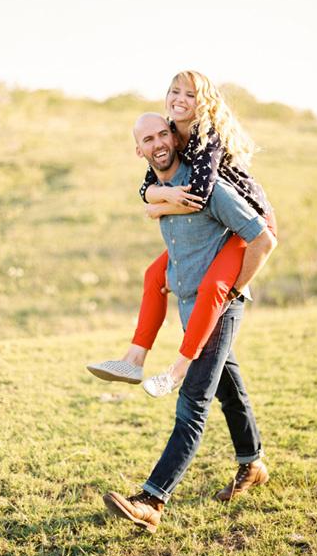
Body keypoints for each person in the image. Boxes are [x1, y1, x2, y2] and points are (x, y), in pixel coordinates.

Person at [102, 112, 277, 533]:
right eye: (148, 138)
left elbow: (262, 237)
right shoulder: (161, 191)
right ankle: (252, 464)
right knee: (228, 390)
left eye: (164, 133)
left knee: (193, 401)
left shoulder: (209, 189)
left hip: (218, 307)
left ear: (176, 139)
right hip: (191, 307)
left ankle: (152, 499)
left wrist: (234, 288)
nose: (158, 142)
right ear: (139, 150)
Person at [87, 71, 277, 394]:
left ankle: (176, 373)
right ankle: (134, 358)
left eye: (190, 95)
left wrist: (160, 207)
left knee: (215, 286)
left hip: (249, 224)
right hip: (219, 222)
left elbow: (199, 196)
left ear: (202, 102)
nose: (180, 99)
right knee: (154, 276)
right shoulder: (169, 132)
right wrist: (154, 198)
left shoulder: (206, 134)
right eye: (175, 91)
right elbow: (148, 185)